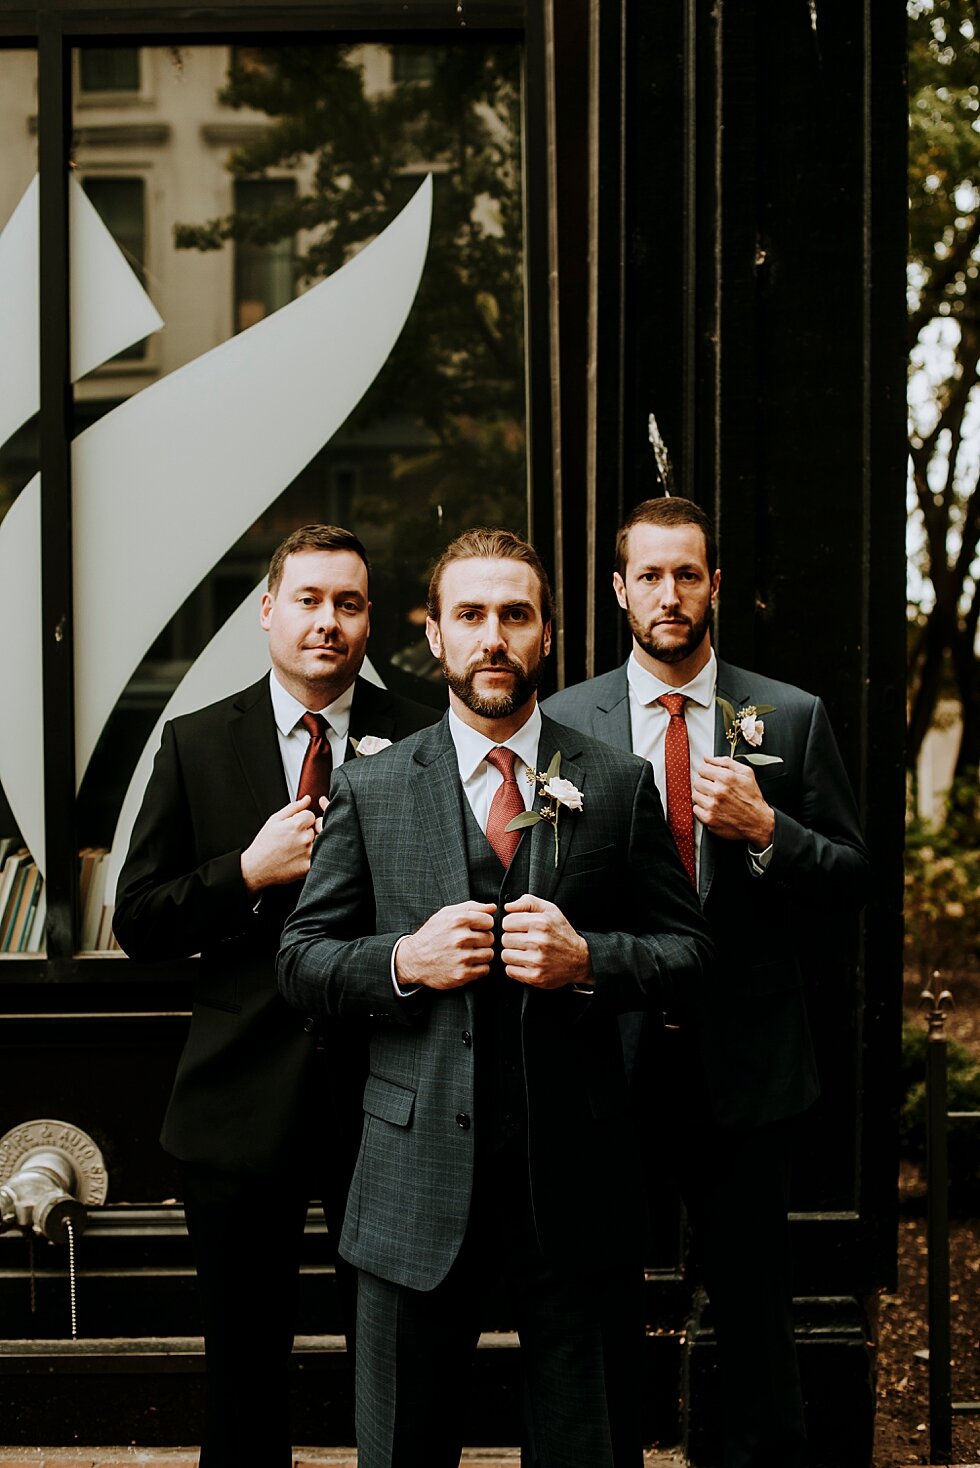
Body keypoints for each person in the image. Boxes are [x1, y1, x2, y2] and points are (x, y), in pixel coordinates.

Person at [277, 526, 713, 1468]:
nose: (492, 638)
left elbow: (690, 953)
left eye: (514, 615)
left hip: (577, 1182)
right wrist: (404, 961)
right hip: (411, 1179)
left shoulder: (618, 781)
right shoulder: (372, 787)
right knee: (403, 1452)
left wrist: (588, 959)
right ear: (432, 636)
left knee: (588, 1450)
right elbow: (302, 958)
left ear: (547, 633)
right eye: (469, 615)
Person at [543, 496, 869, 1468]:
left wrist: (769, 831)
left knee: (754, 1309)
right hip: (611, 1050)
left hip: (745, 1062)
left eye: (686, 574)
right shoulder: (565, 720)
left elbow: (851, 881)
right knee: (598, 1293)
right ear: (617, 589)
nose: (668, 594)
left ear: (714, 585)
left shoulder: (791, 717)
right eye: (648, 574)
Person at [113, 523, 438, 1468]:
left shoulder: (422, 736)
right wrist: (244, 871)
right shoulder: (195, 743)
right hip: (237, 1104)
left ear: (370, 619)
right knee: (243, 1371)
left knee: (394, 1363)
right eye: (308, 600)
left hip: (387, 1100)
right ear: (266, 613)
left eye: (348, 603)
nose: (327, 622)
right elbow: (139, 919)